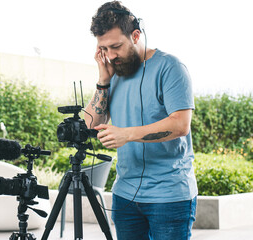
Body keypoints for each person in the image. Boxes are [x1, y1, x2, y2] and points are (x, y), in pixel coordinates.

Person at [84, 1, 198, 239]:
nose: (111, 55)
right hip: (125, 196)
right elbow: (90, 126)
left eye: (116, 46)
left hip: (169, 197)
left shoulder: (171, 67)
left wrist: (127, 134)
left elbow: (180, 124)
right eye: (104, 48)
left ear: (136, 35)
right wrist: (103, 80)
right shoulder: (113, 73)